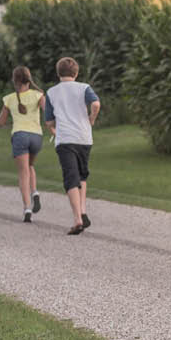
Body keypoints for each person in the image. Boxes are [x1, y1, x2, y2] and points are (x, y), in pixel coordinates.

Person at [44, 56, 100, 236]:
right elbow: (96, 104)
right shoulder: (84, 88)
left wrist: (54, 129)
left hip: (65, 139)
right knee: (82, 176)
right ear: (76, 73)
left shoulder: (52, 92)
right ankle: (82, 212)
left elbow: (49, 122)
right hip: (84, 138)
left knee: (70, 178)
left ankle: (77, 219)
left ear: (58, 73)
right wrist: (91, 118)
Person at [0, 65, 45, 222]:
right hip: (37, 137)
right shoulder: (38, 95)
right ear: (29, 80)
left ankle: (27, 208)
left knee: (23, 171)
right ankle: (35, 192)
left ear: (14, 80)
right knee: (30, 166)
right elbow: (49, 113)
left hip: (20, 136)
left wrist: (9, 114)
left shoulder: (9, 99)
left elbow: (1, 122)